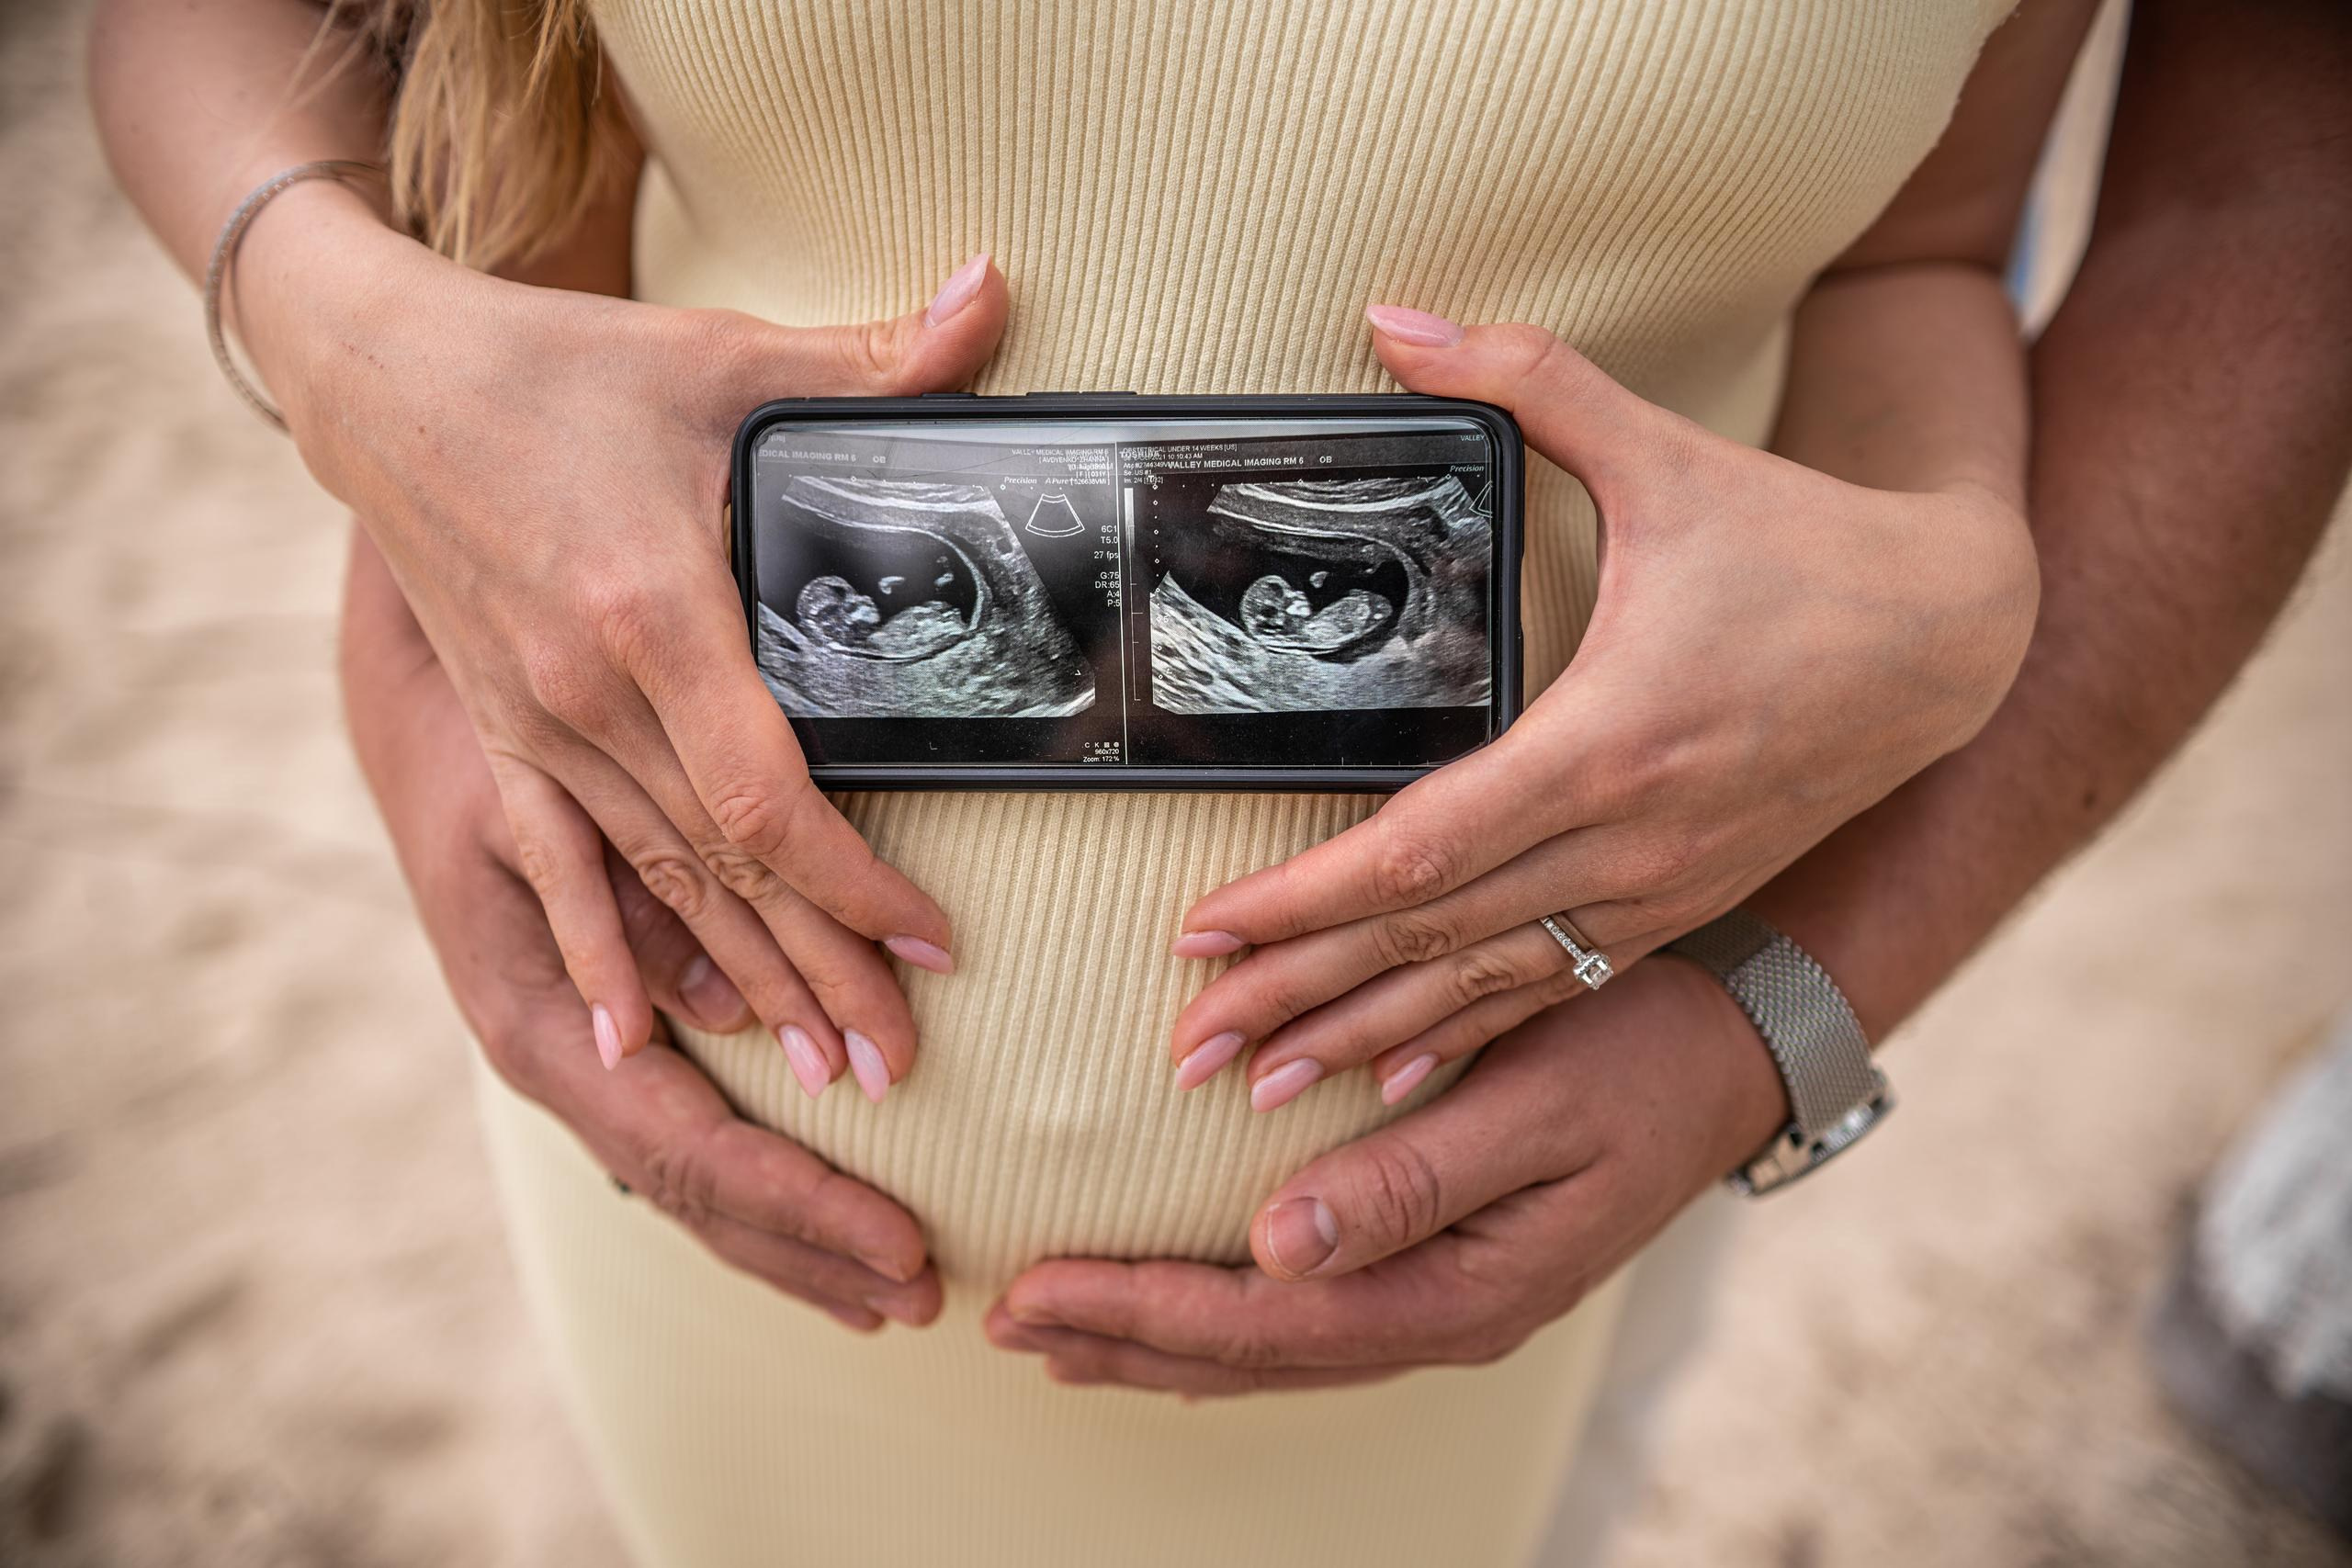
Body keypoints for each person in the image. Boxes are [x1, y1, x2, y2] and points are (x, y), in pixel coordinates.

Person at [86, 0, 2351, 1563]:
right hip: (706, 1173)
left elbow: (1997, 235)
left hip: (1494, 1205)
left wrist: (1945, 592)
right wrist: (354, 358)